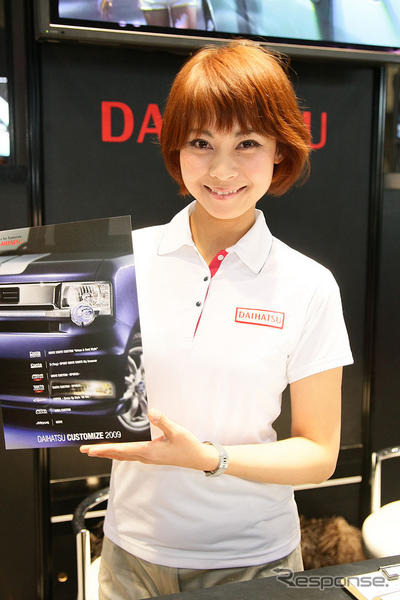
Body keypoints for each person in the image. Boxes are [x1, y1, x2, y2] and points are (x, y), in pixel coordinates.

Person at [80, 40, 353, 599]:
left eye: (247, 143)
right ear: (176, 148)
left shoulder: (309, 284)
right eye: (201, 143)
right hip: (131, 555)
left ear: (279, 151)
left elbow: (318, 453)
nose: (222, 169)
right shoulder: (119, 263)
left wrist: (209, 459)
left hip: (252, 561)